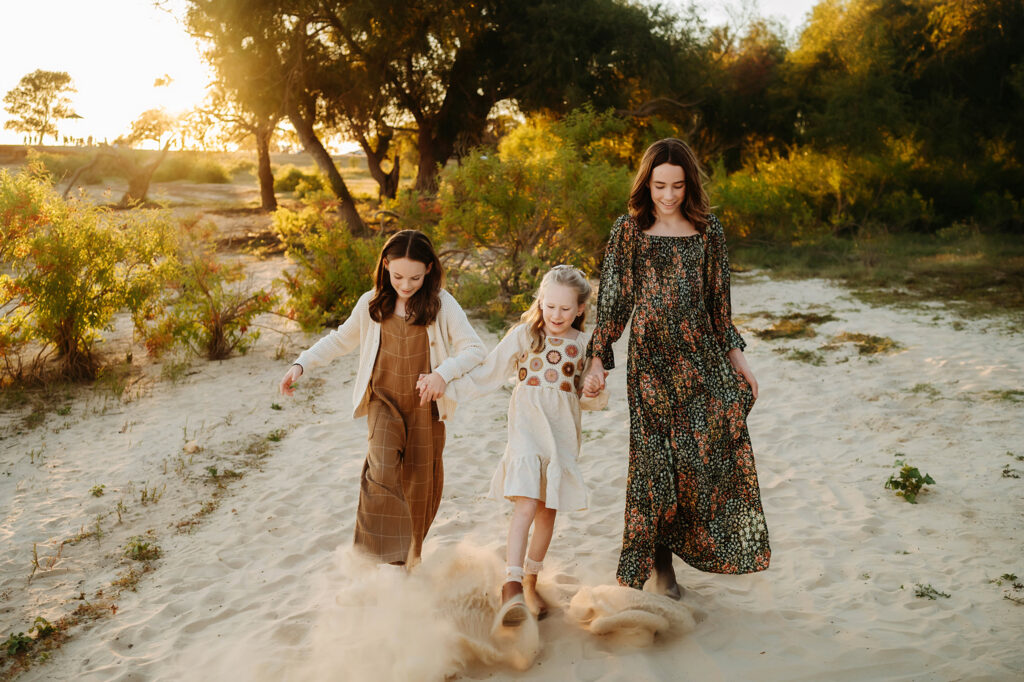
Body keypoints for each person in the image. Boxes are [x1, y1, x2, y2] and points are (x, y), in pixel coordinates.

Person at [583, 138, 770, 596]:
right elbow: (613, 302)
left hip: (700, 358)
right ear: (646, 183)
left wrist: (739, 360)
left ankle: (695, 544)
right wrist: (597, 360)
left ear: (690, 186)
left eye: (678, 186)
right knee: (654, 465)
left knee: (699, 454)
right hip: (649, 363)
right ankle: (661, 572)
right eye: (659, 185)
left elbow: (719, 308)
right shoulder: (628, 231)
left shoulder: (709, 231)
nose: (668, 196)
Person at [279, 230, 485, 568]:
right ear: (386, 266)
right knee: (381, 471)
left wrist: (442, 374)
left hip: (425, 408)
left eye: (415, 277)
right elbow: (340, 340)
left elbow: (475, 349)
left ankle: (408, 560)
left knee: (421, 484)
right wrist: (302, 364)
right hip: (383, 403)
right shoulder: (372, 302)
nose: (406, 285)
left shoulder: (442, 303)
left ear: (430, 270)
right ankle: (374, 558)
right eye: (398, 276)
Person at [434, 265, 606, 627]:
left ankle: (530, 582)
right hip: (526, 430)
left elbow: (589, 395)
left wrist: (594, 385)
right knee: (527, 503)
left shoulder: (584, 344)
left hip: (560, 436)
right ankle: (510, 583)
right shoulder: (524, 335)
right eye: (550, 306)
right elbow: (489, 373)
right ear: (540, 302)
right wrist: (446, 389)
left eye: (565, 309)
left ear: (579, 309)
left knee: (547, 510)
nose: (556, 315)